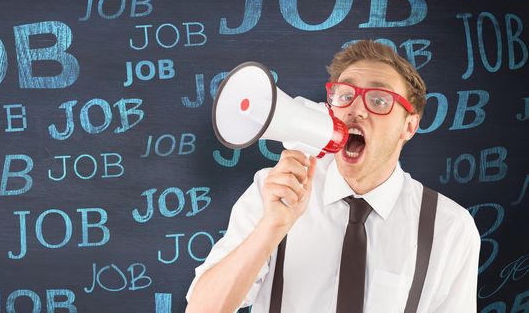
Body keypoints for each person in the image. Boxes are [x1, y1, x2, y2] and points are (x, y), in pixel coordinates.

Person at [185, 40, 480, 313]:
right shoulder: (272, 191)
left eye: (379, 100)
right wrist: (270, 228)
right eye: (345, 95)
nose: (355, 109)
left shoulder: (450, 227)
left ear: (409, 126)